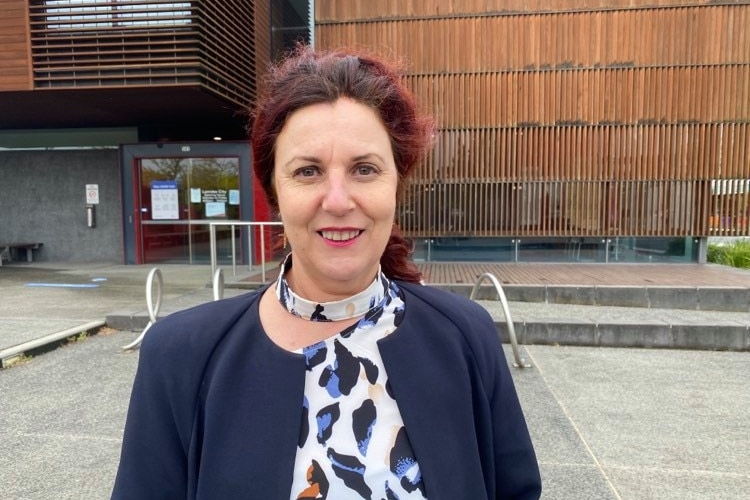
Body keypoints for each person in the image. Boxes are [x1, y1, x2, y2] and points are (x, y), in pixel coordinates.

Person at [112, 46, 541, 499]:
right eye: (309, 170)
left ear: (397, 184)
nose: (338, 201)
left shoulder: (465, 337)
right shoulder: (181, 357)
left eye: (364, 169)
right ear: (275, 191)